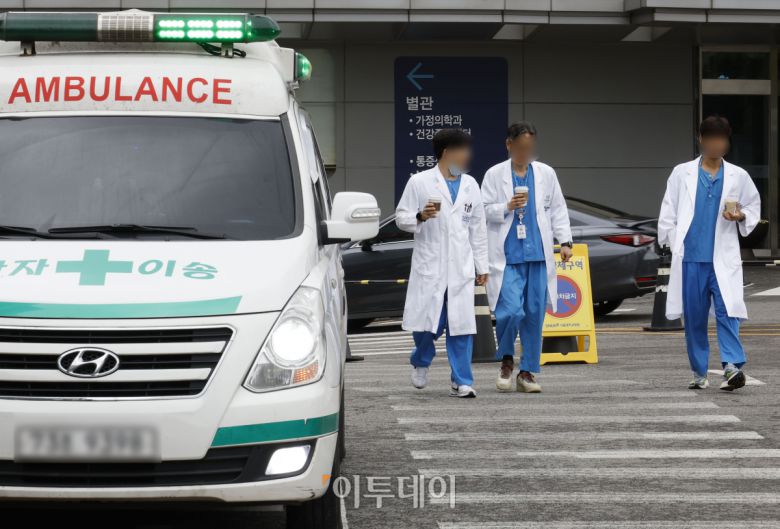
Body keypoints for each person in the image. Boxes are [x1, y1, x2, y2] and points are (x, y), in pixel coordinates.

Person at [658, 115, 760, 391]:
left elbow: (753, 207)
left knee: (729, 311)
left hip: (722, 258)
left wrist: (740, 216)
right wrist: (672, 242)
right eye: (711, 138)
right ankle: (699, 371)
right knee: (695, 317)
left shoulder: (738, 175)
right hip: (691, 257)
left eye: (721, 139)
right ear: (701, 139)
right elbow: (668, 211)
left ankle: (732, 365)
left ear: (727, 142)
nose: (717, 144)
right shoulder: (682, 173)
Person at [396, 128, 489, 398]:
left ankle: (462, 380)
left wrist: (482, 266)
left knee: (461, 325)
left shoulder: (470, 184)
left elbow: (478, 228)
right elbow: (401, 218)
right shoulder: (420, 182)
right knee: (428, 324)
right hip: (431, 266)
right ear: (447, 152)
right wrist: (420, 216)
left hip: (460, 266)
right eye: (463, 150)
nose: (467, 155)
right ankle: (421, 360)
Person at [481, 121, 572, 393]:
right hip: (508, 256)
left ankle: (527, 372)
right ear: (509, 145)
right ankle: (507, 360)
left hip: (538, 256)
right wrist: (506, 206)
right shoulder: (495, 174)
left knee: (534, 315)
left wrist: (565, 241)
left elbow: (558, 208)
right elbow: (483, 210)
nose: (525, 152)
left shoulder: (546, 173)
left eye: (529, 147)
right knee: (510, 311)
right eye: (520, 147)